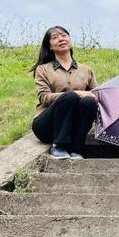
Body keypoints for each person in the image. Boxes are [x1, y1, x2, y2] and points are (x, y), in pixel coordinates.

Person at [31, 26, 98, 159]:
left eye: (64, 35)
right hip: (47, 126)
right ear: (50, 46)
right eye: (55, 37)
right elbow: (44, 97)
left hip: (74, 125)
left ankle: (76, 149)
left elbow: (96, 95)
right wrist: (77, 93)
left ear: (70, 40)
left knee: (89, 102)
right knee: (70, 96)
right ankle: (58, 146)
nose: (61, 39)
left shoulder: (86, 70)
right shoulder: (43, 69)